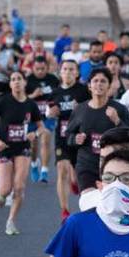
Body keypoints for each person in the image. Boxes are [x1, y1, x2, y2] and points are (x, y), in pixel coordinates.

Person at [0, 70, 44, 236]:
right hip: (5, 148)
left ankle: (11, 221)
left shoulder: (31, 105)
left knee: (19, 187)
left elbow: (41, 126)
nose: (16, 82)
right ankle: (1, 194)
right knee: (5, 189)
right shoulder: (4, 102)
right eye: (13, 79)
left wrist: (36, 134)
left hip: (23, 148)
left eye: (19, 79)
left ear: (24, 83)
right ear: (10, 84)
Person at [66, 68, 129, 192]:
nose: (99, 84)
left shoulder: (119, 109)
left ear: (109, 86)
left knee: (108, 206)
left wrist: (117, 121)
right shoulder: (80, 110)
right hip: (86, 166)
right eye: (95, 81)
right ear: (89, 86)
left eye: (103, 81)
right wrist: (74, 139)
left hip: (114, 167)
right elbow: (67, 135)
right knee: (89, 201)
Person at [47, 59, 90, 220]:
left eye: (71, 69)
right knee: (62, 170)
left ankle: (75, 182)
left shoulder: (83, 91)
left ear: (77, 73)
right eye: (65, 69)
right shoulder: (55, 92)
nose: (68, 72)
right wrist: (51, 112)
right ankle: (65, 211)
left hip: (79, 139)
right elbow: (48, 111)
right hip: (62, 137)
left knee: (76, 177)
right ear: (60, 72)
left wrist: (79, 109)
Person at [25, 56, 61, 183]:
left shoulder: (53, 80)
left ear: (47, 67)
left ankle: (45, 171)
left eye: (43, 69)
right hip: (32, 118)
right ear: (33, 68)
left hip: (47, 117)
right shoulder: (28, 80)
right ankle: (34, 164)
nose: (40, 71)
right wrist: (33, 95)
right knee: (33, 146)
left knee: (45, 140)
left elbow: (59, 95)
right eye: (37, 69)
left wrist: (56, 107)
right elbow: (21, 99)